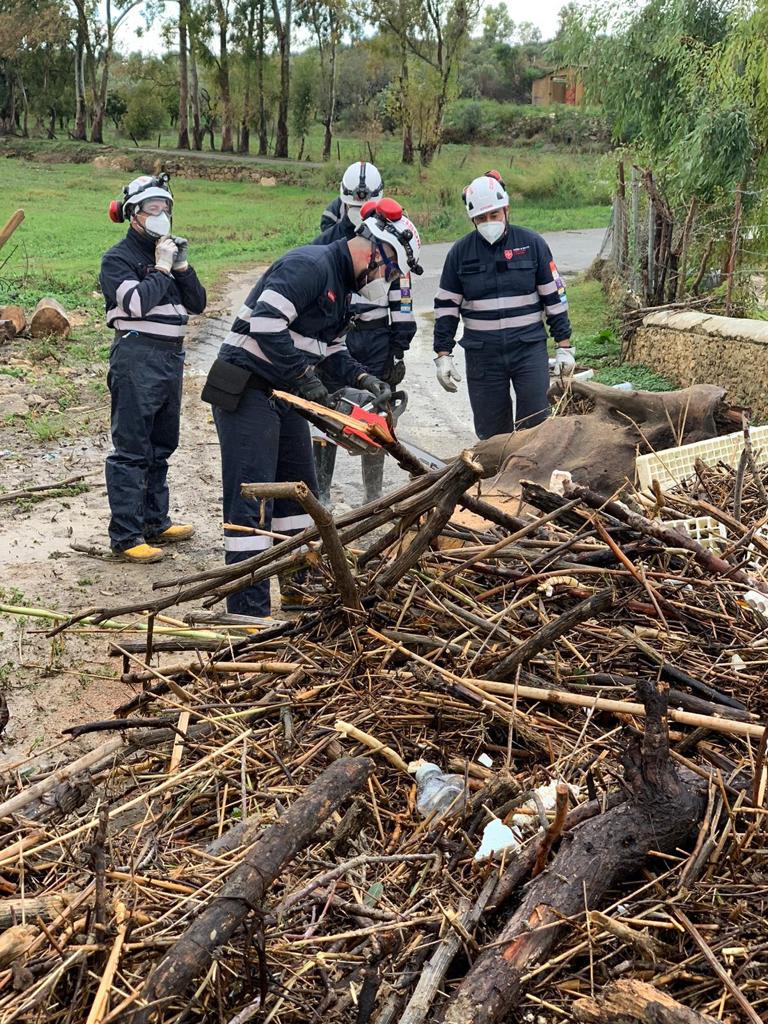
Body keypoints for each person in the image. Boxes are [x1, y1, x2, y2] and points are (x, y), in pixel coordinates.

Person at [203, 197, 422, 617]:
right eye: (391, 269)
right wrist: (306, 380)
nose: (390, 279)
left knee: (300, 493)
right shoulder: (311, 266)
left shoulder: (345, 291)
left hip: (282, 393)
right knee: (255, 494)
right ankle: (246, 606)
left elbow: (331, 349)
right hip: (247, 387)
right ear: (374, 250)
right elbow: (267, 325)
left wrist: (362, 378)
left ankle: (298, 585)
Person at [100, 173, 207, 563]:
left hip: (170, 356)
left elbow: (197, 304)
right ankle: (126, 536)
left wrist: (181, 267)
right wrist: (160, 270)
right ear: (133, 215)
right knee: (131, 447)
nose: (161, 215)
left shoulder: (167, 255)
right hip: (136, 355)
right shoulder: (117, 259)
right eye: (152, 209)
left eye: (166, 208)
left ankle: (155, 521)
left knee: (162, 443)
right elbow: (135, 306)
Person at [433, 171, 574, 440]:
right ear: (472, 219)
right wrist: (443, 354)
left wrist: (564, 346)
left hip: (528, 350)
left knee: (535, 427)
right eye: (481, 218)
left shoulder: (532, 245)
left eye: (494, 215)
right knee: (492, 434)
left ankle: (531, 479)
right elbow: (446, 308)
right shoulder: (459, 254)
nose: (489, 222)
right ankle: (493, 481)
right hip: (483, 355)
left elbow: (554, 299)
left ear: (506, 209)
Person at [312, 164, 417, 505]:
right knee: (324, 410)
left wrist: (399, 346)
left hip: (375, 336)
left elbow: (402, 294)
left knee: (378, 411)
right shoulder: (329, 239)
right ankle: (322, 490)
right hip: (334, 332)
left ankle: (373, 495)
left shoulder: (393, 238)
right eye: (354, 209)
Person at [320, 160, 384, 232]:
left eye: (366, 207)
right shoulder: (333, 211)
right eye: (353, 205)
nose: (360, 211)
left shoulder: (386, 212)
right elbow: (326, 237)